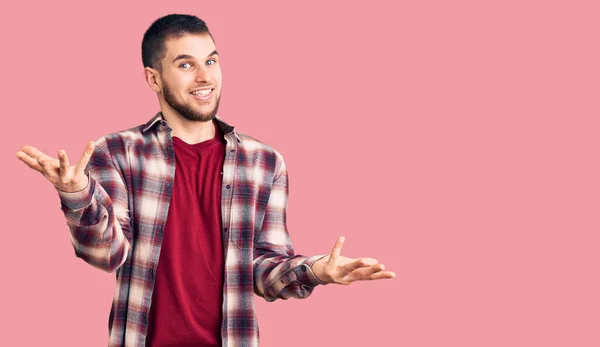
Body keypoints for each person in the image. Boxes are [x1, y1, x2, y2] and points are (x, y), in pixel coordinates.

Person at [16, 14, 396, 347]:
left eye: (211, 61)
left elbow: (262, 271)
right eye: (185, 65)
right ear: (153, 78)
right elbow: (108, 254)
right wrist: (76, 193)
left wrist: (316, 272)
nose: (204, 77)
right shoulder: (117, 152)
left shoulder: (264, 163)